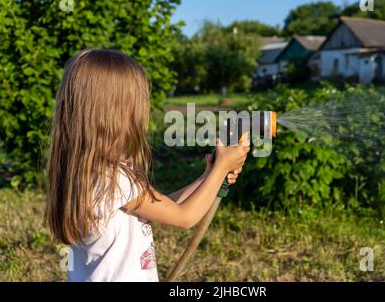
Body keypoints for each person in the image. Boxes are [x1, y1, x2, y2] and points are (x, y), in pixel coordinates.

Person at [45, 49, 249, 281]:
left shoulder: (88, 171)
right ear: (115, 110)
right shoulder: (112, 179)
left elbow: (163, 206)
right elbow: (185, 217)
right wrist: (221, 168)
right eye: (138, 101)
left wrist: (208, 177)